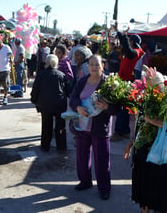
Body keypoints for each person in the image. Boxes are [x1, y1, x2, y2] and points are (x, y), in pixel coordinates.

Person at [123, 70, 167, 213]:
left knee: (162, 196)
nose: (152, 89)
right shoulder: (143, 102)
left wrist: (158, 123)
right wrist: (131, 144)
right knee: (145, 195)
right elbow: (139, 126)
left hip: (163, 159)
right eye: (148, 84)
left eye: (155, 85)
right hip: (144, 156)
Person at [69, 54, 120, 200]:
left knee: (102, 159)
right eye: (91, 64)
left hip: (99, 127)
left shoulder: (108, 84)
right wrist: (78, 107)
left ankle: (104, 188)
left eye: (97, 64)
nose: (93, 67)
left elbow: (118, 108)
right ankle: (85, 181)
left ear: (102, 66)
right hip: (82, 125)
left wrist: (106, 107)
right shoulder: (82, 81)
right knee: (82, 155)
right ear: (87, 66)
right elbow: (73, 97)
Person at [31, 54, 70, 152]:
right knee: (61, 125)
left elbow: (35, 90)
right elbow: (68, 91)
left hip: (45, 104)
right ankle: (61, 146)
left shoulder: (41, 75)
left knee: (46, 125)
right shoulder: (61, 75)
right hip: (59, 104)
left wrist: (34, 100)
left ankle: (45, 146)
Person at [112, 32, 145, 142]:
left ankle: (118, 132)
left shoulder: (136, 52)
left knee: (120, 109)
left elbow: (128, 50)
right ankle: (125, 131)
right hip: (125, 81)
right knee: (125, 109)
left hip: (127, 83)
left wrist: (122, 36)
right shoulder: (134, 52)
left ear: (132, 42)